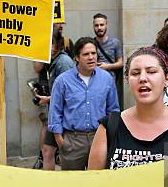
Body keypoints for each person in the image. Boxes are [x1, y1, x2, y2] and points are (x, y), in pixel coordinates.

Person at [88, 46, 168, 170]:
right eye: (135, 73)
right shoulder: (110, 127)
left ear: (167, 78)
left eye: (151, 71)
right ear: (128, 80)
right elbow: (93, 183)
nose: (142, 78)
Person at [48, 37, 120, 170]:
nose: (91, 57)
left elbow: (113, 110)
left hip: (99, 137)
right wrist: (61, 141)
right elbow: (55, 112)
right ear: (76, 57)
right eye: (86, 54)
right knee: (73, 185)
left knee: (98, 183)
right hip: (73, 140)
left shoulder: (106, 79)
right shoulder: (62, 81)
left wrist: (110, 138)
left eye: (93, 53)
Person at [34, 29, 75, 170]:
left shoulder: (63, 62)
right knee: (47, 150)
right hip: (56, 111)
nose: (48, 48)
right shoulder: (53, 61)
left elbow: (70, 93)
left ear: (57, 45)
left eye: (50, 45)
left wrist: (49, 99)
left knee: (64, 153)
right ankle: (48, 183)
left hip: (64, 114)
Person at [92, 13, 123, 80]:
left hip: (111, 81)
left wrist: (107, 66)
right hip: (94, 80)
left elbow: (121, 63)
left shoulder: (115, 42)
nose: (99, 28)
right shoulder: (90, 43)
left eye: (102, 25)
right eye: (96, 25)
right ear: (93, 27)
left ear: (106, 26)